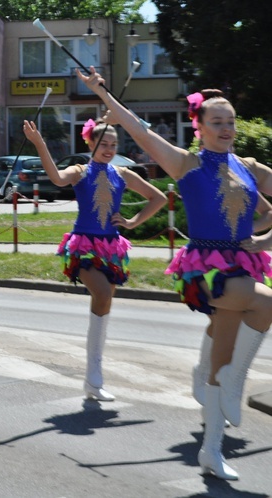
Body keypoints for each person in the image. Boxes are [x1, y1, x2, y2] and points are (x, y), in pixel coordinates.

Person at [78, 67, 272, 480]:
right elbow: (137, 127)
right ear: (198, 126)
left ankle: (212, 450)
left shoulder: (249, 167)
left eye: (231, 122)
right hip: (206, 269)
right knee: (267, 302)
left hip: (243, 262)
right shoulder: (187, 163)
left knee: (220, 360)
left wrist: (264, 239)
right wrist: (102, 92)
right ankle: (237, 380)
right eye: (216, 122)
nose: (227, 128)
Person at [24, 117, 166, 401]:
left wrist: (131, 222)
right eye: (104, 143)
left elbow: (158, 198)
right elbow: (55, 177)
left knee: (104, 304)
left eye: (114, 144)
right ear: (90, 143)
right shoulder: (80, 170)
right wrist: (39, 143)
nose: (110, 149)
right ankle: (94, 377)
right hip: (83, 247)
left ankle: (92, 378)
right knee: (101, 295)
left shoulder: (123, 174)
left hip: (112, 248)